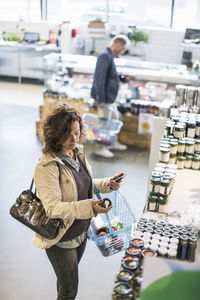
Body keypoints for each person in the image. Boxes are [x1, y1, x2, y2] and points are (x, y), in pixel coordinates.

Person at [32, 104, 124, 300]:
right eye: (68, 134)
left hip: (80, 231)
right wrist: (90, 206)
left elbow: (84, 184)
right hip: (61, 239)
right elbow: (53, 208)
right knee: (69, 291)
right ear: (55, 135)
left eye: (77, 132)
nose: (74, 139)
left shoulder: (77, 153)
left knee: (66, 281)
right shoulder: (46, 166)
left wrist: (108, 183)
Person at [91, 34, 130, 158]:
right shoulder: (104, 56)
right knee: (104, 123)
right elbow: (99, 78)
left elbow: (110, 76)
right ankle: (100, 148)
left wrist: (123, 79)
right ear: (118, 45)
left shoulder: (110, 56)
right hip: (105, 98)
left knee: (115, 120)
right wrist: (100, 99)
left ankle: (111, 142)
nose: (122, 52)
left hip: (110, 98)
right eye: (123, 49)